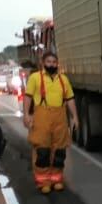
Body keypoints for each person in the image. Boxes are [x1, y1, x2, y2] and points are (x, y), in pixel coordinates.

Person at [22, 52, 78, 193]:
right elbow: (28, 97)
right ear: (43, 63)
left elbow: (70, 99)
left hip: (60, 118)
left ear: (57, 63)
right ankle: (43, 182)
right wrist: (27, 114)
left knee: (59, 151)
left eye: (54, 62)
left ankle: (56, 179)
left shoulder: (63, 79)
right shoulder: (35, 78)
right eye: (49, 62)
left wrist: (75, 117)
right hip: (42, 118)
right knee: (43, 151)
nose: (51, 64)